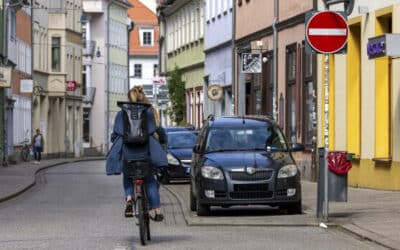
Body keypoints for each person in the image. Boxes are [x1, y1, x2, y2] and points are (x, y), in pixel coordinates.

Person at [106, 86, 167, 221]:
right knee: (150, 181)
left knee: (128, 176)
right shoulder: (149, 112)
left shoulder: (121, 113)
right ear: (142, 97)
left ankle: (129, 199)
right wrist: (162, 142)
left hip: (128, 153)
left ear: (129, 98)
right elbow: (158, 130)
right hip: (146, 153)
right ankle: (157, 211)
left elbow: (115, 134)